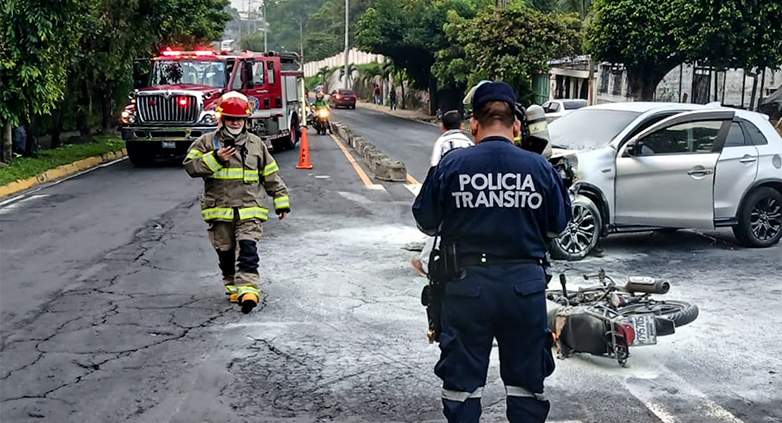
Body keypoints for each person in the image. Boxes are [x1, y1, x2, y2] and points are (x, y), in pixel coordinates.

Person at [412, 82, 572, 423]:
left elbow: (426, 223)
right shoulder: (540, 168)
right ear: (515, 124)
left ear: (473, 124)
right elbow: (559, 227)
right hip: (524, 288)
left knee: (462, 386)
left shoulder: (452, 165)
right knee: (526, 385)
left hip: (467, 287)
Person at [184, 92, 290, 314]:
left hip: (249, 209)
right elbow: (190, 167)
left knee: (248, 249)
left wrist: (281, 201)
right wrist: (215, 158)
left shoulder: (256, 145)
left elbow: (270, 174)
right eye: (231, 118)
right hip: (219, 210)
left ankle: (249, 290)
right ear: (222, 118)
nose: (235, 122)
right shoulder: (206, 142)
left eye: (239, 119)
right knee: (226, 251)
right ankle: (232, 284)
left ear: (246, 120)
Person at [411, 110, 473, 277]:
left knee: (440, 225)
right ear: (461, 126)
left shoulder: (443, 141)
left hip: (448, 187)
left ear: (442, 126)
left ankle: (426, 264)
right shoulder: (468, 141)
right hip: (469, 188)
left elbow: (435, 168)